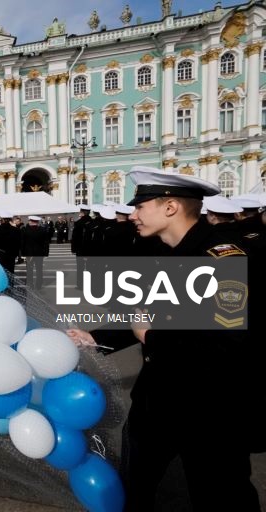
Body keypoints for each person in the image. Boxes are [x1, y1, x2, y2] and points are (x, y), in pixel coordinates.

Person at [67, 167, 261, 511]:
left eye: (140, 207)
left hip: (209, 409)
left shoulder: (222, 259)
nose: (133, 215)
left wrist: (153, 338)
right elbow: (145, 313)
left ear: (169, 207)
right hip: (158, 402)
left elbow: (229, 345)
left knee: (221, 493)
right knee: (141, 489)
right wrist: (94, 336)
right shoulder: (171, 252)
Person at [21, 215, 49, 290]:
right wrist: (46, 253)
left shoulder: (25, 230)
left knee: (29, 270)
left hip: (29, 254)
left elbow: (22, 243)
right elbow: (46, 243)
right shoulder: (43, 230)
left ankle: (30, 285)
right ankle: (38, 285)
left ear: (30, 221)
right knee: (39, 270)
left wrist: (22, 254)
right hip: (39, 253)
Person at [70, 206, 92, 289]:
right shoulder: (93, 222)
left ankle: (80, 285)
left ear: (82, 212)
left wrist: (73, 249)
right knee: (90, 268)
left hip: (80, 249)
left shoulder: (78, 223)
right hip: (90, 249)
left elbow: (74, 237)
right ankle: (90, 284)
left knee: (80, 268)